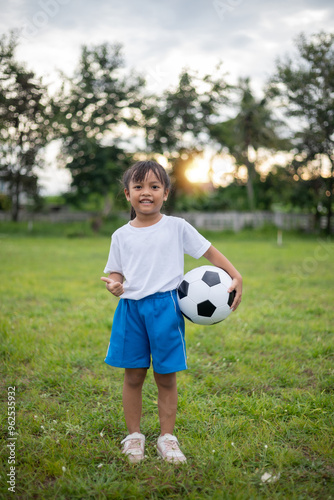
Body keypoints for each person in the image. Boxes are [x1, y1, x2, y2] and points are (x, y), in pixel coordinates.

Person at [101, 160, 242, 464]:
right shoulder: (120, 236)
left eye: (154, 186)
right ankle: (134, 436)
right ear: (127, 194)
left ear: (166, 192)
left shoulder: (176, 226)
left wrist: (235, 275)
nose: (146, 192)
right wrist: (114, 284)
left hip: (166, 309)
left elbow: (210, 252)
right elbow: (115, 273)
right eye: (138, 187)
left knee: (166, 377)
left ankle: (167, 438)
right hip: (131, 310)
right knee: (133, 375)